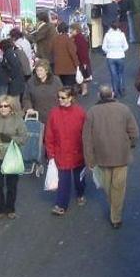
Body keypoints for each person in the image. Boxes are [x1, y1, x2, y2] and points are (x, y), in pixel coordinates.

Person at [82, 85, 140, 229]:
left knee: (107, 186)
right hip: (121, 155)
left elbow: (86, 138)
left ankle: (114, 210)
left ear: (98, 96)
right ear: (112, 94)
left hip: (101, 157)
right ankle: (116, 215)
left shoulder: (92, 112)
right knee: (118, 187)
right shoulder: (124, 109)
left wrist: (89, 159)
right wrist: (131, 144)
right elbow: (134, 132)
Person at [0, 95, 29, 220]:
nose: (3, 108)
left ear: (10, 107)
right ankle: (0, 207)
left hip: (12, 155)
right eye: (0, 106)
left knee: (11, 184)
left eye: (5, 106)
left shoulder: (18, 120)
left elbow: (24, 137)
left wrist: (10, 139)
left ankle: (10, 208)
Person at [45, 88, 86, 216]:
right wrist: (50, 153)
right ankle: (61, 204)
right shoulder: (54, 113)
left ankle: (80, 193)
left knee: (79, 179)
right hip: (61, 153)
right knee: (63, 180)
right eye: (59, 97)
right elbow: (49, 134)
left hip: (78, 151)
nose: (60, 100)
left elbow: (86, 133)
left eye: (63, 97)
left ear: (70, 98)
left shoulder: (80, 112)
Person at [22, 60, 64, 125]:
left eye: (41, 70)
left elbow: (63, 95)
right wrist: (28, 107)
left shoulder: (56, 81)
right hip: (38, 117)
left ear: (46, 71)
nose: (39, 73)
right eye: (37, 70)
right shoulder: (31, 82)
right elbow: (26, 98)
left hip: (54, 115)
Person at [102, 21, 129, 98]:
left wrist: (109, 51)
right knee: (120, 74)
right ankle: (121, 90)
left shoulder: (107, 35)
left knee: (113, 75)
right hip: (120, 56)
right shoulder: (122, 35)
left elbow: (104, 47)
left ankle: (115, 91)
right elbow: (126, 46)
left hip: (110, 57)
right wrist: (121, 50)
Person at [51, 22, 80, 89]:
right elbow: (73, 53)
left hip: (58, 68)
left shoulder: (54, 39)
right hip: (69, 68)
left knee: (61, 87)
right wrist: (77, 65)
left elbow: (52, 52)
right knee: (69, 88)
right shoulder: (68, 39)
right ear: (67, 29)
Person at [70, 23, 92, 96]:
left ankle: (84, 90)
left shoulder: (79, 39)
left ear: (75, 30)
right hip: (82, 60)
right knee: (83, 75)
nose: (70, 32)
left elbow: (83, 52)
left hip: (82, 60)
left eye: (71, 31)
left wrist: (84, 62)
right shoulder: (80, 37)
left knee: (83, 76)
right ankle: (82, 89)